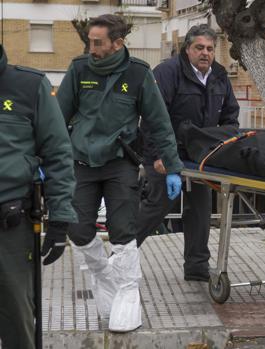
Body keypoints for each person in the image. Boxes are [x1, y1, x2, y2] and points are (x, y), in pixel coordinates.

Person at [56, 14, 183, 332]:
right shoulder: (79, 69)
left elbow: (159, 122)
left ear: (117, 43)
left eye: (98, 42)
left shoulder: (138, 73)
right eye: (90, 41)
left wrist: (173, 168)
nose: (91, 48)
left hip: (119, 165)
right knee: (77, 229)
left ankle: (127, 292)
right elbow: (56, 120)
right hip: (81, 164)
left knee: (122, 230)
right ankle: (105, 276)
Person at [136, 24, 240, 282]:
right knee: (157, 206)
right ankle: (120, 254)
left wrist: (219, 148)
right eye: (199, 48)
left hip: (200, 157)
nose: (205, 53)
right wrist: (160, 156)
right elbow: (151, 118)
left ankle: (196, 268)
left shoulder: (218, 75)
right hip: (164, 154)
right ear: (187, 49)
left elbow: (231, 116)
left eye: (210, 48)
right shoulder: (167, 72)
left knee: (200, 211)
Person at [0, 43, 77, 348]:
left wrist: (60, 218)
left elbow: (58, 154)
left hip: (9, 228)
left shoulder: (28, 86)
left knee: (17, 316)